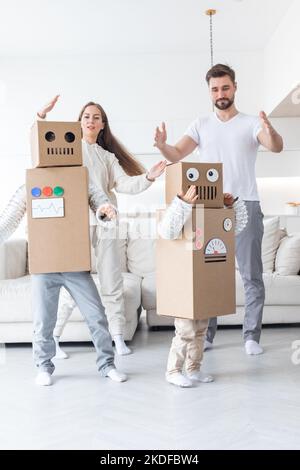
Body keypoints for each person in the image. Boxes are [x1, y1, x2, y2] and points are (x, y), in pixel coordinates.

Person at [154, 63, 283, 356]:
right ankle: (206, 334)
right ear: (209, 92)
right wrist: (162, 146)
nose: (220, 93)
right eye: (215, 89)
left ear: (235, 87)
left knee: (251, 275)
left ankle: (251, 336)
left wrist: (271, 130)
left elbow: (275, 146)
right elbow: (177, 153)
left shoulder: (251, 123)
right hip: (209, 207)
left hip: (245, 204)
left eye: (225, 87)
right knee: (209, 272)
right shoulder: (200, 124)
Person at [38, 96, 166, 357]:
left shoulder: (107, 157)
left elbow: (126, 185)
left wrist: (149, 176)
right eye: (86, 116)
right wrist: (41, 117)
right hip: (75, 224)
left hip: (108, 222)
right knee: (71, 283)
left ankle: (117, 338)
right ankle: (55, 337)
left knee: (112, 281)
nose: (91, 120)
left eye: (96, 117)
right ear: (80, 121)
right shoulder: (69, 149)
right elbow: (43, 144)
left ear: (103, 124)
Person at [0, 184, 128, 385]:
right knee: (43, 320)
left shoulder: (80, 180)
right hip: (44, 266)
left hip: (74, 264)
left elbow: (101, 205)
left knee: (96, 316)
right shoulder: (30, 185)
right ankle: (43, 367)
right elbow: (8, 221)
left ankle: (107, 365)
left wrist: (106, 211)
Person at [158, 186, 247, 387]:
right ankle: (172, 370)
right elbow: (167, 231)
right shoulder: (175, 217)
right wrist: (182, 203)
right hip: (182, 284)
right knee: (185, 330)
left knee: (200, 329)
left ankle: (193, 368)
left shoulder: (210, 218)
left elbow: (234, 227)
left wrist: (231, 206)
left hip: (203, 282)